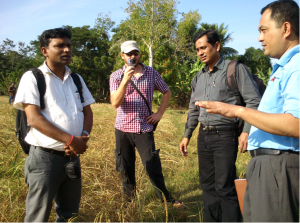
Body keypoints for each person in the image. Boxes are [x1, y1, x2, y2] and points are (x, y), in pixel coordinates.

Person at [196, 1, 300, 222]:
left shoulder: (297, 66)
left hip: (278, 165)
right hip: (265, 164)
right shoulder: (283, 67)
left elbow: (296, 124)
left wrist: (238, 112)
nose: (260, 38)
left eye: (264, 30)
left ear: (286, 28)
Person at [13, 28, 95, 223]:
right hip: (45, 158)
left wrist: (83, 135)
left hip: (72, 157)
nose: (66, 49)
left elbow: (87, 112)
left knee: (69, 214)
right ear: (44, 51)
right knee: (37, 216)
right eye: (59, 46)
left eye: (68, 45)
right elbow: (34, 119)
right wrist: (71, 140)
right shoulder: (33, 77)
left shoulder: (76, 78)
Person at [179, 30, 261, 222]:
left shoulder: (235, 70)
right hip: (204, 136)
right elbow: (193, 109)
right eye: (197, 49)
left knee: (224, 187)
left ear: (216, 46)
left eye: (203, 48)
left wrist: (246, 132)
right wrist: (187, 135)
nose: (200, 53)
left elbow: (253, 101)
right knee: (207, 186)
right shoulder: (198, 77)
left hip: (226, 135)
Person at [110, 40, 182, 207]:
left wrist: (159, 114)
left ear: (139, 54)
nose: (133, 57)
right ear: (122, 56)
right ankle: (129, 203)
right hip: (123, 129)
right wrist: (125, 80)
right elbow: (115, 103)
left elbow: (166, 92)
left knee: (152, 167)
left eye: (135, 53)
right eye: (129, 54)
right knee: (125, 168)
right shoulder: (116, 76)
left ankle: (166, 199)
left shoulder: (151, 73)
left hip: (144, 128)